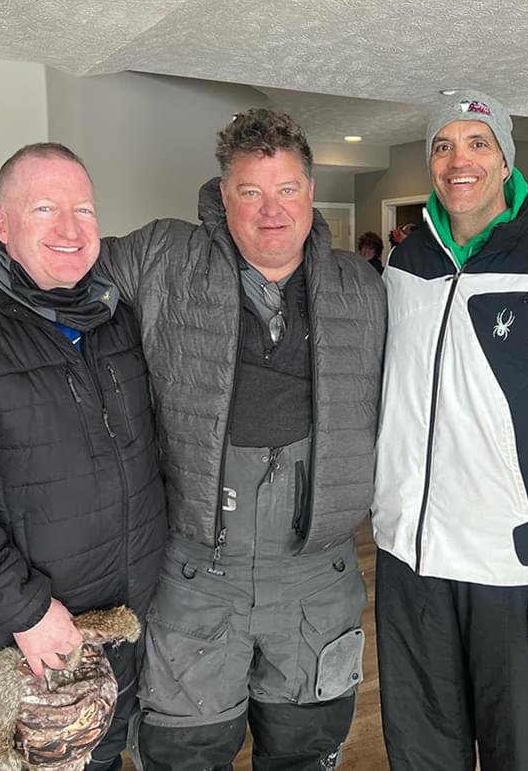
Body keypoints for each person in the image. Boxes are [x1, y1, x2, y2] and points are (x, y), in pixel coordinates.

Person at [96, 108, 386, 771]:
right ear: (222, 197)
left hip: (318, 579)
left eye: (286, 190)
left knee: (307, 756)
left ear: (311, 193)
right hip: (196, 579)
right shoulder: (163, 257)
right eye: (250, 192)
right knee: (183, 756)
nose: (271, 211)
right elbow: (60, 271)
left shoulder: (363, 289)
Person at [371, 91, 528, 770]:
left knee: (516, 748)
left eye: (478, 143)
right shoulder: (402, 269)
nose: (460, 161)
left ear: (506, 159)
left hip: (508, 567)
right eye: (444, 145)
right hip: (408, 558)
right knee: (419, 745)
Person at [0, 143, 167, 770]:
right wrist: (25, 610)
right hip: (23, 647)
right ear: (2, 224)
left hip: (116, 636)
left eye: (83, 209)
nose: (70, 228)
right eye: (45, 207)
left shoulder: (115, 318)